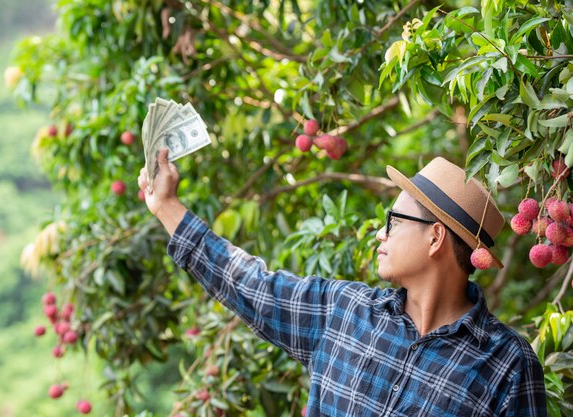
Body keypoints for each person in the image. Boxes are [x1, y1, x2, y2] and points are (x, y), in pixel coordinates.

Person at [137, 149, 547, 417]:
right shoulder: (344, 311)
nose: (380, 235)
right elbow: (252, 285)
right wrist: (168, 208)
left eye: (394, 222)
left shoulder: (507, 364)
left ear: (435, 237)